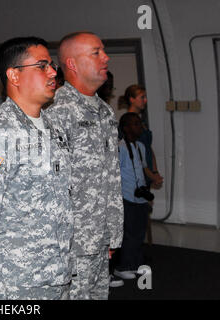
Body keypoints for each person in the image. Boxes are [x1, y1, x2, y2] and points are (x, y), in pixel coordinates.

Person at [0, 37, 73, 299]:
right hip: (16, 283)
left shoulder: (53, 129)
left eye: (51, 65)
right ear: (14, 75)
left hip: (58, 275)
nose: (52, 72)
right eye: (41, 66)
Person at [45, 31, 124, 300]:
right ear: (72, 64)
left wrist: (112, 233)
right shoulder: (56, 110)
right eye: (96, 52)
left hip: (100, 237)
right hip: (73, 242)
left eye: (103, 51)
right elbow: (50, 184)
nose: (106, 57)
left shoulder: (104, 111)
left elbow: (111, 176)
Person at [114, 112, 157, 279]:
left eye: (139, 123)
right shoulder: (120, 147)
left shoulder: (140, 146)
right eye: (136, 124)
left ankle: (136, 263)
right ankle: (124, 266)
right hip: (127, 197)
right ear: (126, 128)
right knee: (129, 233)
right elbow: (116, 173)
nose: (140, 127)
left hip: (140, 197)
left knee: (139, 232)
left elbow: (142, 169)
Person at [118, 85, 163, 189]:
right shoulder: (128, 123)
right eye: (142, 97)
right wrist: (151, 175)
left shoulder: (142, 122)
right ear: (132, 99)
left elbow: (148, 148)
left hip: (147, 171)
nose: (145, 100)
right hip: (137, 174)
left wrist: (155, 171)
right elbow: (136, 156)